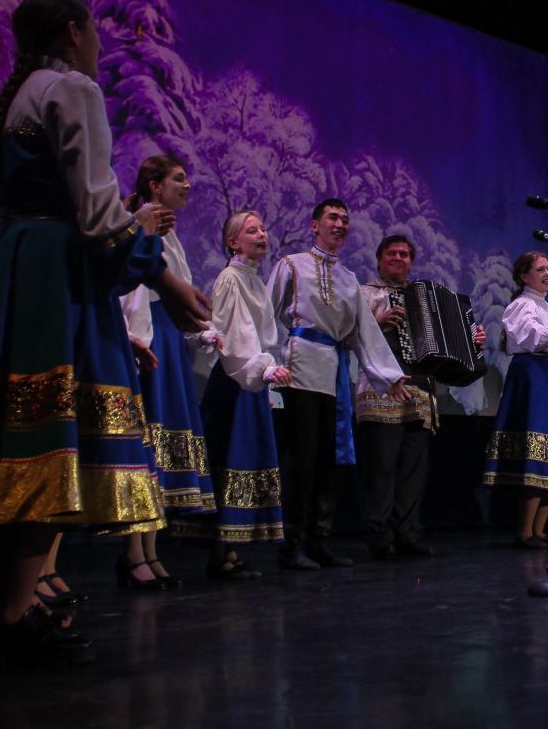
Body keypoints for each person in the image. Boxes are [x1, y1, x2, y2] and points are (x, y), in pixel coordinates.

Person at [0, 0, 208, 666]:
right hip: (52, 277)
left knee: (20, 442)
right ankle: (7, 618)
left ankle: (4, 609)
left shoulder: (12, 98)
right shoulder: (73, 89)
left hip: (11, 269)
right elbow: (100, 213)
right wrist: (163, 275)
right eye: (94, 31)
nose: (99, 44)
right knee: (48, 444)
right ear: (74, 33)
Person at [267, 199, 410, 570]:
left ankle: (318, 541)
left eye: (346, 219)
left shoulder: (348, 279)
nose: (340, 223)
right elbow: (268, 316)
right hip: (299, 366)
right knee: (303, 461)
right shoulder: (291, 266)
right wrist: (264, 367)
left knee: (329, 462)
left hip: (333, 370)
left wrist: (389, 376)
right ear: (315, 225)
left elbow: (363, 333)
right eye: (333, 217)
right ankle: (292, 545)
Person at [118, 155, 220, 589]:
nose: (188, 186)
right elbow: (130, 289)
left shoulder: (171, 237)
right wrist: (132, 337)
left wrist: (202, 334)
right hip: (147, 337)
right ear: (154, 186)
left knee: (161, 450)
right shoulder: (136, 225)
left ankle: (151, 550)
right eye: (179, 179)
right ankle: (132, 553)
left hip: (169, 342)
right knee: (145, 446)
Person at [356, 235, 486, 558]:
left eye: (405, 254)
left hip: (420, 390)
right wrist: (380, 321)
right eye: (392, 253)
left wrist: (472, 341)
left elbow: (447, 340)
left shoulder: (423, 296)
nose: (399, 258)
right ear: (379, 259)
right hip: (381, 389)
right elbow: (351, 334)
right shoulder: (366, 294)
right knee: (382, 468)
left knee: (414, 468)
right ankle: (379, 537)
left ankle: (406, 533)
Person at [199, 211, 291, 577]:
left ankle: (230, 550)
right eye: (251, 230)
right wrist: (261, 369)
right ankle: (220, 553)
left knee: (246, 460)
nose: (261, 234)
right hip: (236, 381)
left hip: (252, 381)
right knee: (231, 458)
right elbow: (235, 336)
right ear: (233, 242)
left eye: (263, 228)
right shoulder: (231, 278)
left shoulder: (252, 280)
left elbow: (262, 334)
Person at [483, 251, 548, 548]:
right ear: (524, 276)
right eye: (541, 269)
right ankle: (525, 530)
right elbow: (528, 335)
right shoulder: (521, 305)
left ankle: (540, 529)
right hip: (533, 378)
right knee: (536, 454)